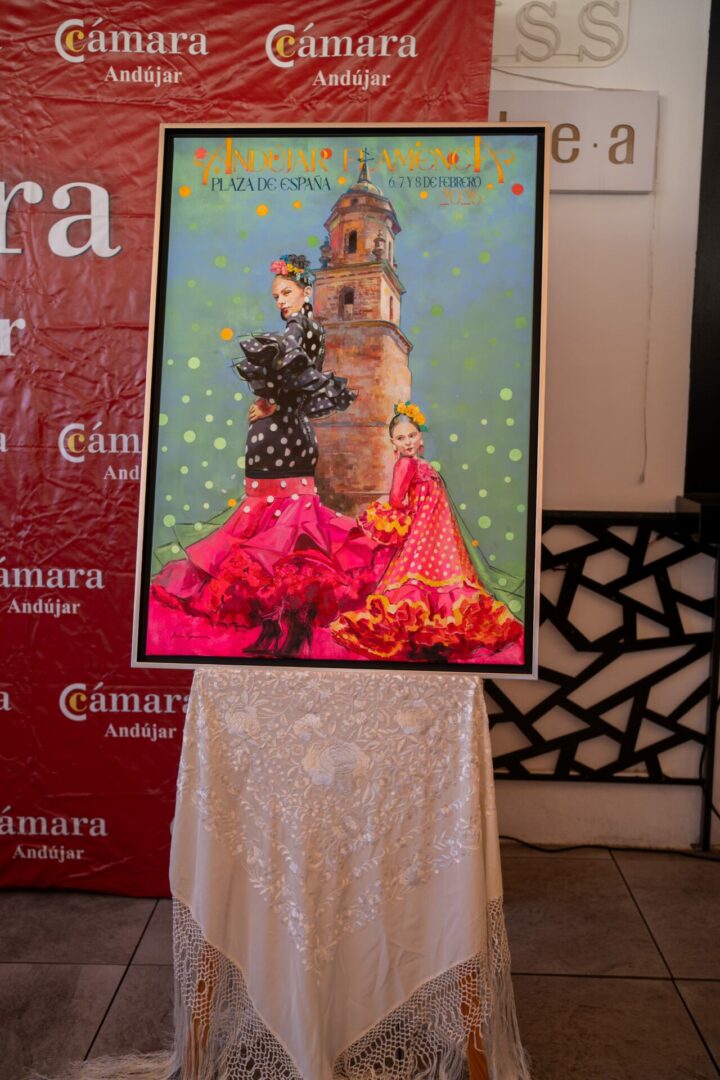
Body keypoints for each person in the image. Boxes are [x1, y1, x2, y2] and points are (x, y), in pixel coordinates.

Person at [148, 254, 387, 658]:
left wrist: (274, 402)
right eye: (276, 296)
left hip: (282, 441)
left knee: (281, 533)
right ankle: (284, 627)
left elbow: (295, 370)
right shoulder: (310, 331)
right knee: (281, 531)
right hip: (285, 441)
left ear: (307, 292)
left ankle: (282, 629)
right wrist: (274, 400)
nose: (281, 301)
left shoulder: (298, 330)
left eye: (287, 293)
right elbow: (302, 379)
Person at [330, 403, 524, 663]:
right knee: (422, 578)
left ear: (420, 436)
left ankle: (435, 629)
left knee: (439, 577)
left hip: (437, 534)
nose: (408, 442)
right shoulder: (406, 464)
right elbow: (397, 499)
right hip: (424, 534)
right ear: (393, 442)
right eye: (401, 438)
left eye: (412, 435)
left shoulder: (419, 463)